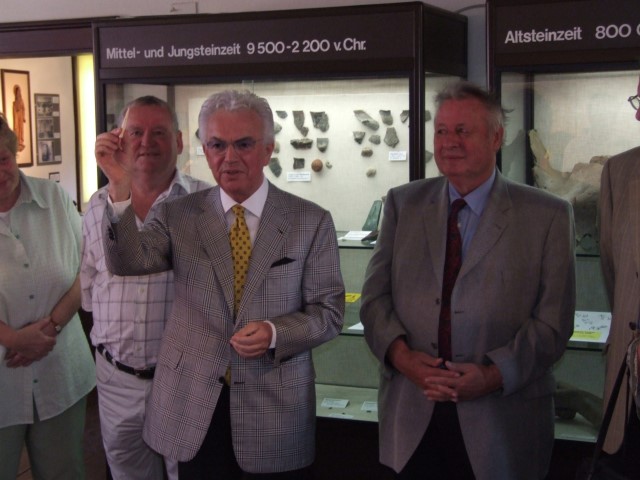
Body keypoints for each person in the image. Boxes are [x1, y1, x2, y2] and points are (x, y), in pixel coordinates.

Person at [100, 89, 345, 479]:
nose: (229, 158)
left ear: (268, 149)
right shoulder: (179, 215)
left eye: (243, 144)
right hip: (194, 406)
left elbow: (329, 313)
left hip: (273, 409)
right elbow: (128, 261)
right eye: (217, 145)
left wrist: (274, 332)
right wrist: (119, 185)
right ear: (204, 149)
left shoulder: (309, 220)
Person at [360, 81, 576, 480]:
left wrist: (492, 376)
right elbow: (374, 300)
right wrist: (404, 359)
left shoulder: (547, 215)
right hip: (413, 417)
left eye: (463, 131)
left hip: (502, 422)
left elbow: (552, 324)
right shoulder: (403, 204)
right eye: (442, 131)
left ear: (496, 137)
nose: (449, 142)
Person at [81, 95, 210, 480]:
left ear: (180, 141)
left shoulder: (208, 206)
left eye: (159, 133)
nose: (146, 142)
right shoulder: (96, 207)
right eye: (135, 132)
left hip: (184, 384)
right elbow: (89, 288)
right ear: (118, 139)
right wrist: (118, 185)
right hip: (116, 381)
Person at [0, 112, 96, 479]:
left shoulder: (53, 198)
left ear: (14, 153)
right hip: (3, 378)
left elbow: (89, 267)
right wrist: (13, 338)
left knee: (64, 472)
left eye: (2, 159)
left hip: (60, 371)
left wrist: (51, 327)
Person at [599, 74, 640, 454]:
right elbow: (613, 271)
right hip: (629, 384)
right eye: (637, 102)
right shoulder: (619, 171)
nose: (638, 115)